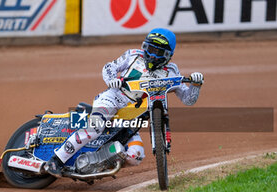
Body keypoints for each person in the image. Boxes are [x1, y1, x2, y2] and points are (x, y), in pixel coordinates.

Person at [45, 28, 204, 177]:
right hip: (112, 99)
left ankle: (93, 164)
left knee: (136, 155)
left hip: (131, 120)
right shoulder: (133, 55)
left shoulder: (172, 71)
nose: (152, 55)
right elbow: (109, 67)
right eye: (150, 49)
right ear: (144, 46)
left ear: (169, 55)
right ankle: (55, 161)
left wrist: (195, 85)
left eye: (158, 52)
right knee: (93, 128)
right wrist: (112, 80)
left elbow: (188, 99)